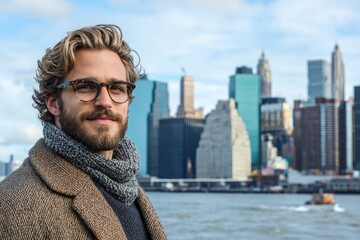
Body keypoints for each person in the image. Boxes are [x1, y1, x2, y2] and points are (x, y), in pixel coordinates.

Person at [0, 24, 167, 240]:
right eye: (86, 86)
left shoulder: (128, 189)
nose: (105, 102)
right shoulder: (11, 205)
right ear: (53, 103)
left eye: (117, 88)